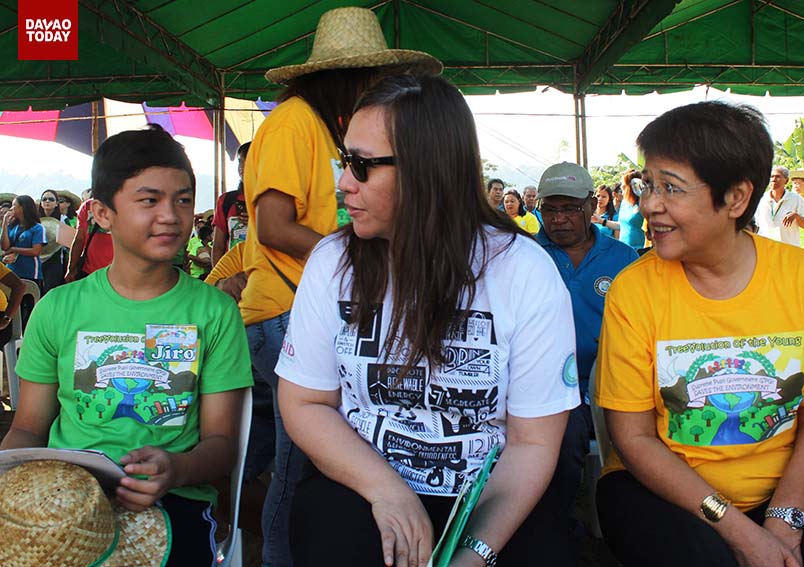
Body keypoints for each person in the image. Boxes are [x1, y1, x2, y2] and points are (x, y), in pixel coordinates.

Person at [278, 72, 578, 567]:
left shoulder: (522, 271)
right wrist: (386, 490)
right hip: (362, 485)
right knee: (326, 528)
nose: (342, 182)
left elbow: (532, 443)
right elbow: (305, 401)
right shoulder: (333, 262)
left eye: (360, 165)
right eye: (343, 159)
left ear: (426, 169)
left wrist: (473, 553)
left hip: (491, 495)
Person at [595, 101, 804, 567]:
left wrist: (782, 523)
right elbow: (632, 438)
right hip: (663, 491)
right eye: (647, 184)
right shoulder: (634, 290)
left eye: (671, 188)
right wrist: (740, 533)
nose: (650, 203)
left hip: (783, 487)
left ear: (735, 198)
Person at [230, 7, 442, 567]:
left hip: (311, 309)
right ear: (348, 77)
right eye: (374, 79)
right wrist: (358, 255)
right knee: (302, 466)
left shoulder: (330, 125)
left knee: (282, 460)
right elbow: (272, 225)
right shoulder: (294, 121)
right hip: (285, 310)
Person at [0, 125, 253, 567]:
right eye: (149, 200)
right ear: (101, 213)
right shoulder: (59, 308)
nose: (172, 216)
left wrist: (178, 469)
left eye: (183, 199)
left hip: (175, 501)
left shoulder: (214, 313)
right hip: (65, 502)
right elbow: (28, 428)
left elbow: (221, 445)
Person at [534, 162, 637, 564]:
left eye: (570, 209)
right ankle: (557, 526)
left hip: (616, 379)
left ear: (591, 205)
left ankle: (625, 524)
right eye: (550, 209)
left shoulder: (624, 257)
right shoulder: (526, 254)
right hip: (551, 386)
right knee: (562, 440)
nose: (558, 219)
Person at [212, 142, 251, 266]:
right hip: (231, 273)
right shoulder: (226, 201)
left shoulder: (274, 202)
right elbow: (218, 245)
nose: (242, 167)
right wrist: (218, 279)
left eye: (249, 160)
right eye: (240, 162)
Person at [754, 166, 804, 246]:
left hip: (788, 248)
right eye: (771, 176)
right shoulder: (761, 199)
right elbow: (756, 225)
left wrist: (796, 216)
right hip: (766, 247)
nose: (773, 179)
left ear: (786, 180)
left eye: (778, 176)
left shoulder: (796, 199)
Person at [1, 195, 45, 290]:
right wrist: (5, 223)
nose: (11, 209)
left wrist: (13, 250)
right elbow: (5, 247)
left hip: (30, 272)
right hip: (12, 271)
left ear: (23, 207)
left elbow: (35, 251)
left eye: (14, 205)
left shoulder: (37, 228)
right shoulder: (12, 226)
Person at [65, 196, 114, 281]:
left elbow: (79, 239)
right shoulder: (87, 206)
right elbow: (79, 239)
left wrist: (71, 269)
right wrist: (71, 268)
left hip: (102, 272)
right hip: (92, 270)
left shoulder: (88, 205)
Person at [37, 189, 66, 293]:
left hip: (55, 260)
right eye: (44, 199)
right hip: (36, 259)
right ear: (40, 203)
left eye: (51, 199)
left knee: (51, 290)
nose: (47, 201)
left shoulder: (64, 220)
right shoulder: (35, 220)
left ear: (56, 203)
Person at [617, 170, 645, 249]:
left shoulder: (644, 204)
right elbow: (621, 225)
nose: (621, 186)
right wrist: (601, 221)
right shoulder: (624, 203)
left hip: (640, 250)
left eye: (624, 184)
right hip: (624, 249)